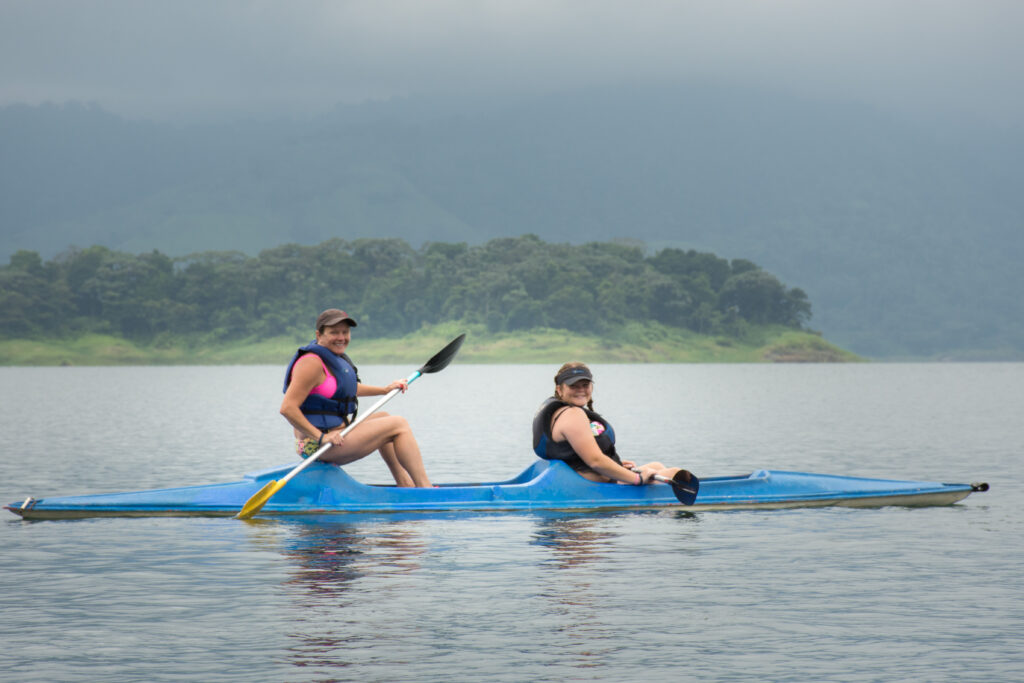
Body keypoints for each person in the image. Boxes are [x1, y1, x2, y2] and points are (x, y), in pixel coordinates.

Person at [280, 308, 432, 487]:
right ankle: (425, 488)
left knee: (385, 418)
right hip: (318, 445)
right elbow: (287, 408)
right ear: (318, 335)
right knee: (398, 424)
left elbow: (347, 389)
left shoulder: (332, 358)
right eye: (334, 332)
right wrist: (321, 437)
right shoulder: (311, 363)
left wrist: (385, 390)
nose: (341, 337)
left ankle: (405, 484)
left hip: (336, 434)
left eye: (345, 332)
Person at [532, 362, 685, 486]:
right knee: (675, 474)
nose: (581, 390)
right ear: (559, 389)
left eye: (585, 385)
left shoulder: (560, 411)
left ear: (592, 386)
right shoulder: (573, 415)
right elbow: (595, 461)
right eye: (573, 386)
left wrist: (615, 466)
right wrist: (637, 479)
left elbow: (579, 455)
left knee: (657, 466)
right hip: (593, 486)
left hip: (585, 477)